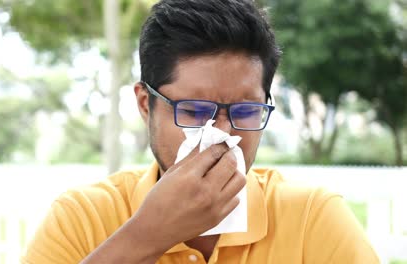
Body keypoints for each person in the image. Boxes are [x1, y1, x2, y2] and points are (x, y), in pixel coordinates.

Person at [21, 0, 379, 263]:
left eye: (245, 111)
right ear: (146, 104)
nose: (222, 133)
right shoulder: (82, 218)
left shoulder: (312, 218)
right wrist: (148, 234)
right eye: (194, 110)